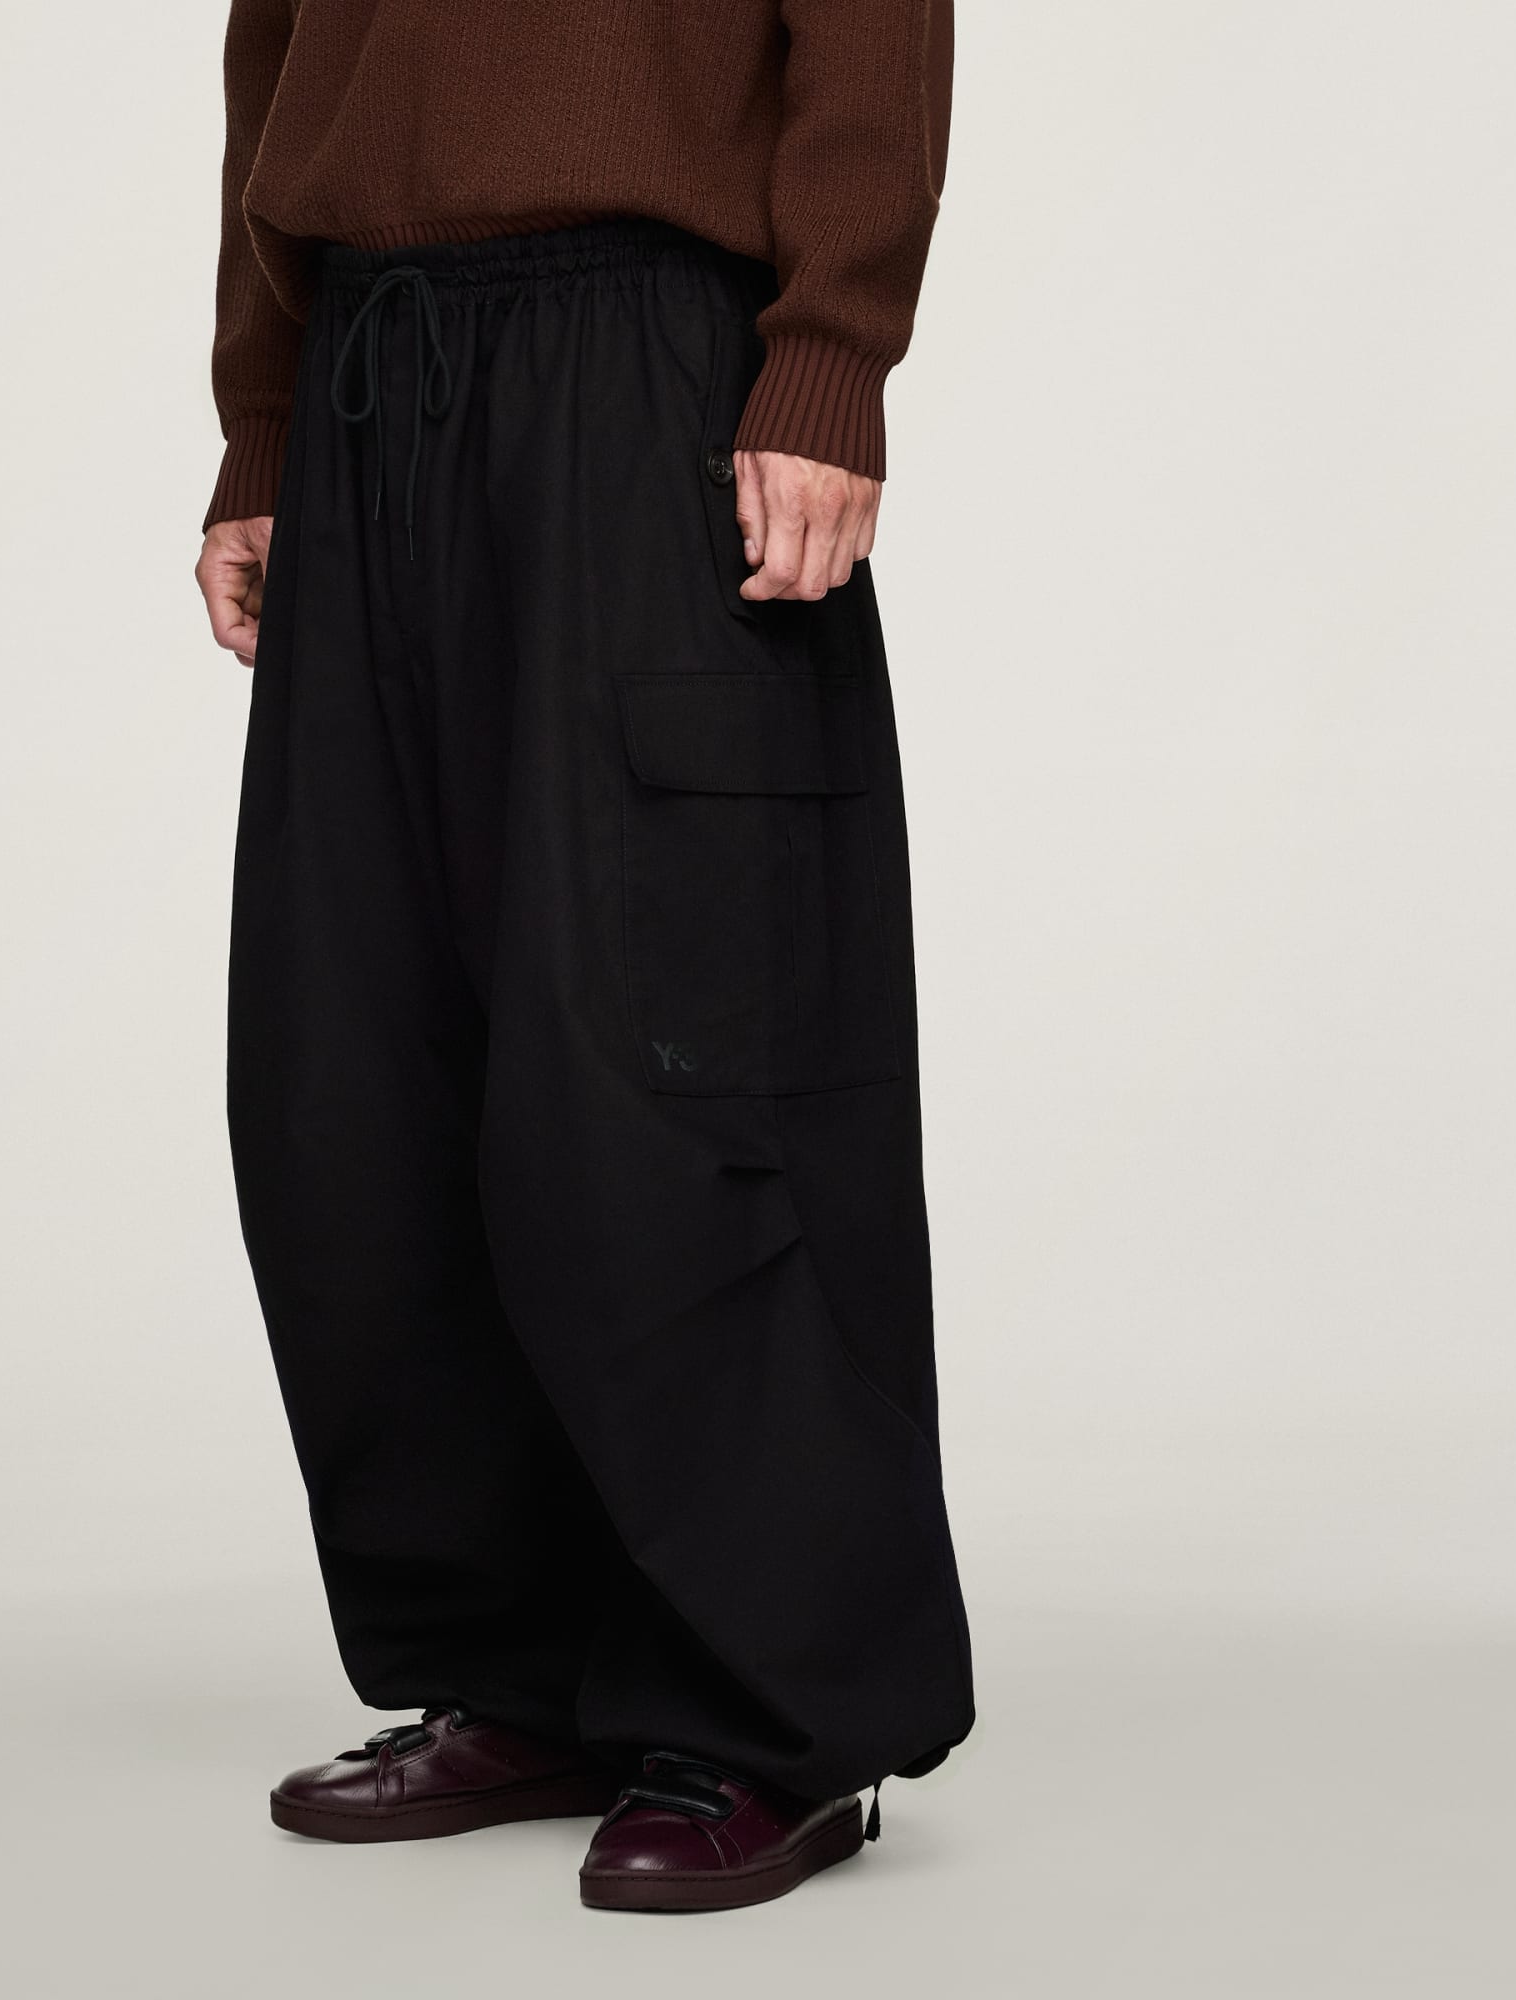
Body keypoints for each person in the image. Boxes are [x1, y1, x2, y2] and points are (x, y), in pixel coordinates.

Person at [194, 0, 973, 1915]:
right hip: (372, 367)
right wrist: (263, 417)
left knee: (675, 1057)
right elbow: (273, 47)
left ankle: (773, 1713)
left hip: (645, 369)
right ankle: (521, 1671)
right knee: (363, 1068)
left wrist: (828, 352)